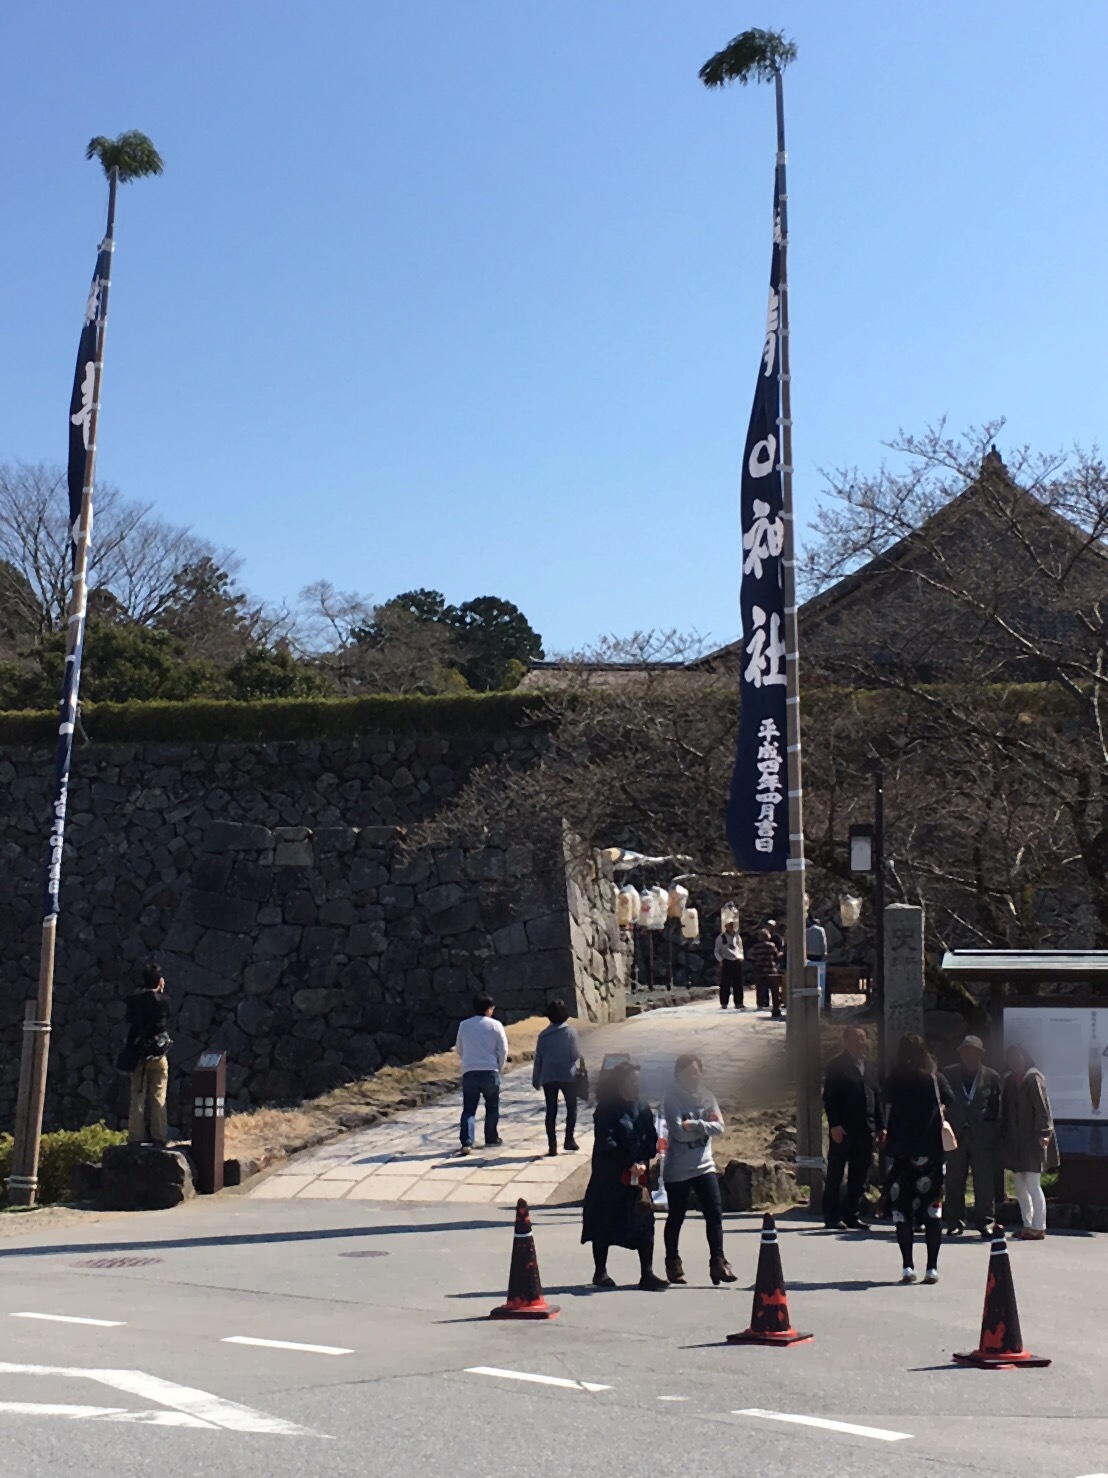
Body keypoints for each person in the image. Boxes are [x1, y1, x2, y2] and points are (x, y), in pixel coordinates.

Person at [581, 1059, 668, 1291]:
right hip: (610, 1175)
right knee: (604, 1220)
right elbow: (606, 1140)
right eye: (632, 1081)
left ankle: (647, 1273)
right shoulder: (607, 1108)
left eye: (639, 1081)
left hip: (637, 1177)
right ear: (621, 1083)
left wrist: (644, 1159)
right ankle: (600, 1271)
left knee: (644, 1222)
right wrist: (627, 1163)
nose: (637, 1085)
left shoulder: (642, 1106)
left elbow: (650, 1136)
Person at [883, 1032, 954, 1284]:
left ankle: (907, 1266)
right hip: (930, 1154)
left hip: (900, 1154)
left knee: (902, 1212)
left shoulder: (894, 1080)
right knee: (933, 1212)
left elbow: (884, 1102)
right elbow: (950, 1100)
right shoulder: (934, 1080)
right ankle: (932, 1267)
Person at [662, 1054, 735, 1285]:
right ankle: (673, 1262)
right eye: (687, 1073)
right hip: (678, 1169)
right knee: (676, 1216)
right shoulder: (672, 1098)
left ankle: (719, 1262)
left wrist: (696, 1125)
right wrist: (703, 1129)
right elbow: (677, 1132)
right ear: (678, 1075)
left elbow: (719, 1127)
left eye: (696, 1072)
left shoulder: (707, 1097)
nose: (693, 1077)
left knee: (714, 1213)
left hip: (705, 1165)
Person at [822, 1025, 884, 1230]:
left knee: (860, 1174)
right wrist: (835, 1125)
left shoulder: (871, 1067)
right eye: (856, 1039)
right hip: (844, 1128)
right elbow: (829, 1097)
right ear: (846, 1042)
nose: (861, 1043)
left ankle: (852, 1214)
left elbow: (876, 1097)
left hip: (866, 1129)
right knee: (836, 1173)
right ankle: (831, 1215)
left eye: (863, 1039)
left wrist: (881, 1126)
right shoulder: (836, 1066)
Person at [943, 1034, 1002, 1237]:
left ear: (981, 1054)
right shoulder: (948, 1074)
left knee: (984, 1180)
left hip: (981, 1135)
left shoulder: (991, 1076)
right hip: (956, 1135)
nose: (969, 1055)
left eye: (974, 1052)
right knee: (954, 1179)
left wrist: (993, 1130)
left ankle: (985, 1220)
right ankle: (954, 1221)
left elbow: (997, 1106)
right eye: (966, 1051)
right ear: (960, 1053)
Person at [1001, 1043, 1059, 1241]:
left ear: (1025, 1057)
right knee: (1019, 1184)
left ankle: (1039, 1226)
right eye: (1011, 1058)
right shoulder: (1009, 1080)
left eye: (1017, 1057)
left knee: (1033, 1183)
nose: (1015, 1062)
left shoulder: (1034, 1078)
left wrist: (1045, 1133)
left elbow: (1043, 1109)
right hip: (1015, 1141)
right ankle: (1027, 1225)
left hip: (1033, 1140)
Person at [120, 961, 172, 1146]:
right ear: (160, 981)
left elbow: (129, 1020)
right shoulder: (164, 1001)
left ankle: (135, 1137)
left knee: (138, 1095)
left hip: (139, 1053)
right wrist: (160, 990)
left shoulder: (134, 1001)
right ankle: (159, 1136)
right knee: (159, 1095)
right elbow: (166, 1019)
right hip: (157, 1053)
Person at [454, 993, 508, 1155]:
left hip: (470, 1070)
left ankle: (467, 1141)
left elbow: (459, 1048)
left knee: (469, 1108)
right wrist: (499, 1066)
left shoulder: (464, 1025)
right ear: (489, 1009)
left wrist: (468, 1059)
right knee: (492, 1106)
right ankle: (491, 1137)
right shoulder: (496, 1025)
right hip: (490, 1070)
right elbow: (503, 1049)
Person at [532, 999, 582, 1157]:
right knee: (571, 1107)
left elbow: (538, 1058)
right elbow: (575, 1054)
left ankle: (552, 1146)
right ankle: (569, 1139)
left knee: (551, 1111)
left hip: (549, 1075)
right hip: (568, 1074)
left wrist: (536, 1078)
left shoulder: (543, 1035)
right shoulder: (570, 1032)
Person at [748, 928, 783, 1018]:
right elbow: (776, 956)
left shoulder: (756, 947)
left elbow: (751, 956)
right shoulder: (771, 945)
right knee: (774, 990)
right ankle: (776, 1005)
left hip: (760, 970)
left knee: (760, 988)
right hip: (771, 970)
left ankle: (760, 1004)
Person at [714, 919, 745, 1010]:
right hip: (726, 960)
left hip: (736, 960)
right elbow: (717, 951)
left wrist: (741, 957)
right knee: (725, 983)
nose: (732, 927)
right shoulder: (721, 937)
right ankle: (724, 1002)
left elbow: (740, 948)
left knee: (738, 983)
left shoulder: (737, 936)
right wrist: (721, 960)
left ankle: (739, 1002)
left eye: (733, 925)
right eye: (730, 925)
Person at [806, 915, 829, 1008]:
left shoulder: (807, 931)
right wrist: (825, 953)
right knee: (820, 972)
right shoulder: (821, 930)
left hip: (809, 955)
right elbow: (823, 942)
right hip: (818, 955)